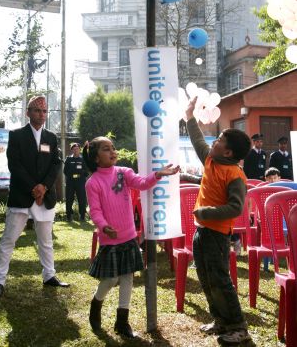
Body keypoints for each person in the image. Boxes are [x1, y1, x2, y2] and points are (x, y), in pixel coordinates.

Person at [83, 136, 179, 337]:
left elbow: (142, 183)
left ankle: (122, 322)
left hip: (128, 237)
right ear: (95, 158)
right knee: (111, 279)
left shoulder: (123, 172)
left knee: (127, 277)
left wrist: (158, 174)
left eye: (113, 148)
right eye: (106, 149)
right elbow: (95, 211)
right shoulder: (93, 182)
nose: (112, 152)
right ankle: (96, 302)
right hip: (110, 240)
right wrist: (104, 226)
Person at [186, 97, 252, 345]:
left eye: (220, 140)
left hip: (217, 234)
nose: (214, 141)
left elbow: (235, 207)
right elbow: (197, 140)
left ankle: (238, 326)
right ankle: (220, 320)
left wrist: (206, 212)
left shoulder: (235, 175)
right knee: (205, 276)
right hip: (201, 232)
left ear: (228, 151)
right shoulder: (211, 160)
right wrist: (189, 116)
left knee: (220, 280)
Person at [0, 95, 70, 298]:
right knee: (9, 240)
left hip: (45, 197)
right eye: (37, 110)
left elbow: (56, 163)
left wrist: (44, 187)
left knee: (46, 240)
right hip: (22, 196)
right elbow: (15, 165)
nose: (41, 114)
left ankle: (49, 276)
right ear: (28, 112)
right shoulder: (17, 135)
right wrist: (33, 187)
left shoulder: (51, 138)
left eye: (45, 111)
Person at [64, 142, 88, 221]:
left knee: (82, 198)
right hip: (70, 182)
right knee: (69, 199)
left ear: (80, 149)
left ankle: (82, 216)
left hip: (80, 182)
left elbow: (86, 171)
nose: (76, 150)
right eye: (74, 149)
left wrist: (81, 174)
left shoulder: (83, 159)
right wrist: (71, 175)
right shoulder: (69, 159)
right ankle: (69, 216)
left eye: (77, 149)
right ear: (72, 150)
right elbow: (65, 171)